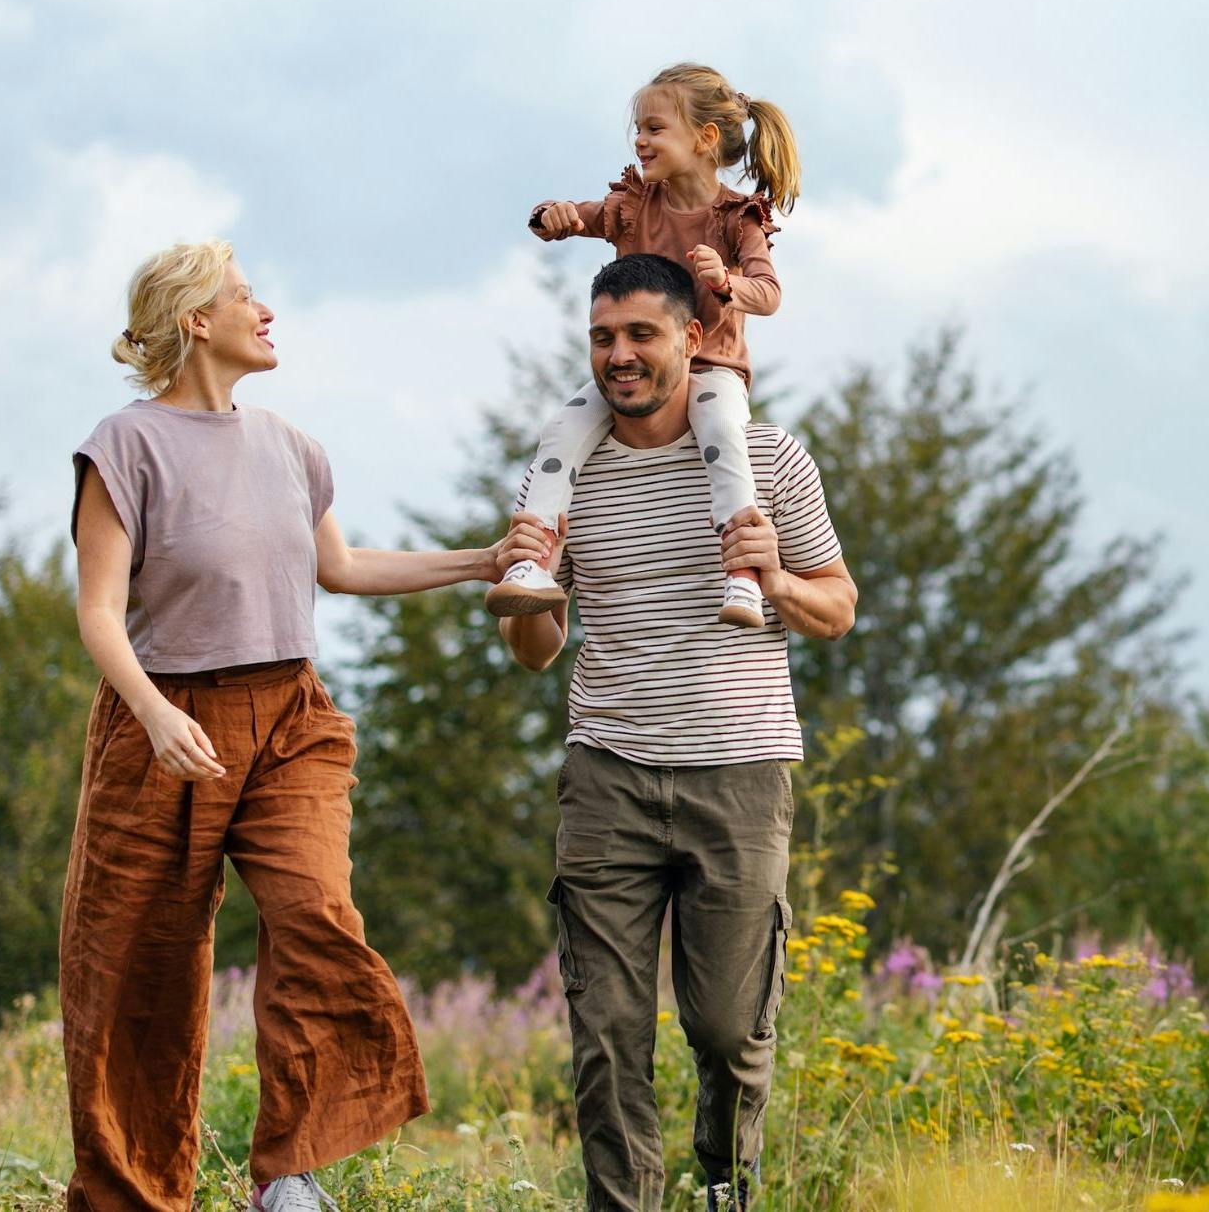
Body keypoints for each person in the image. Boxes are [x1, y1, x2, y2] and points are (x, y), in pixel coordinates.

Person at [63, 239, 548, 1212]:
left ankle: (289, 1174)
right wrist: (155, 715)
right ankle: (132, 1195)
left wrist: (484, 557)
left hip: (290, 715)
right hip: (164, 720)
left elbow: (345, 567)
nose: (266, 310)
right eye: (247, 297)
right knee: (133, 969)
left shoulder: (292, 445)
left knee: (316, 915)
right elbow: (99, 611)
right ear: (197, 319)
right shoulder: (125, 444)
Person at [499, 253, 857, 1211]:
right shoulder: (562, 471)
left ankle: (723, 1185)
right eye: (602, 337)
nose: (619, 356)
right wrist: (539, 568)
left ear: (692, 341)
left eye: (640, 335)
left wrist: (775, 581)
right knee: (607, 1029)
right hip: (606, 771)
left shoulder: (768, 461)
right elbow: (534, 649)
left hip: (737, 773)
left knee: (727, 1024)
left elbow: (837, 607)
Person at [488, 62, 801, 630]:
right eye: (638, 128)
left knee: (723, 432)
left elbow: (770, 293)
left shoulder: (736, 218)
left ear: (704, 138)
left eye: (655, 128)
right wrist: (552, 217)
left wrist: (727, 283)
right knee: (562, 428)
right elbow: (577, 217)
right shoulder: (637, 204)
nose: (640, 140)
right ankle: (532, 562)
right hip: (641, 374)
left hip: (713, 368)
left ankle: (744, 573)